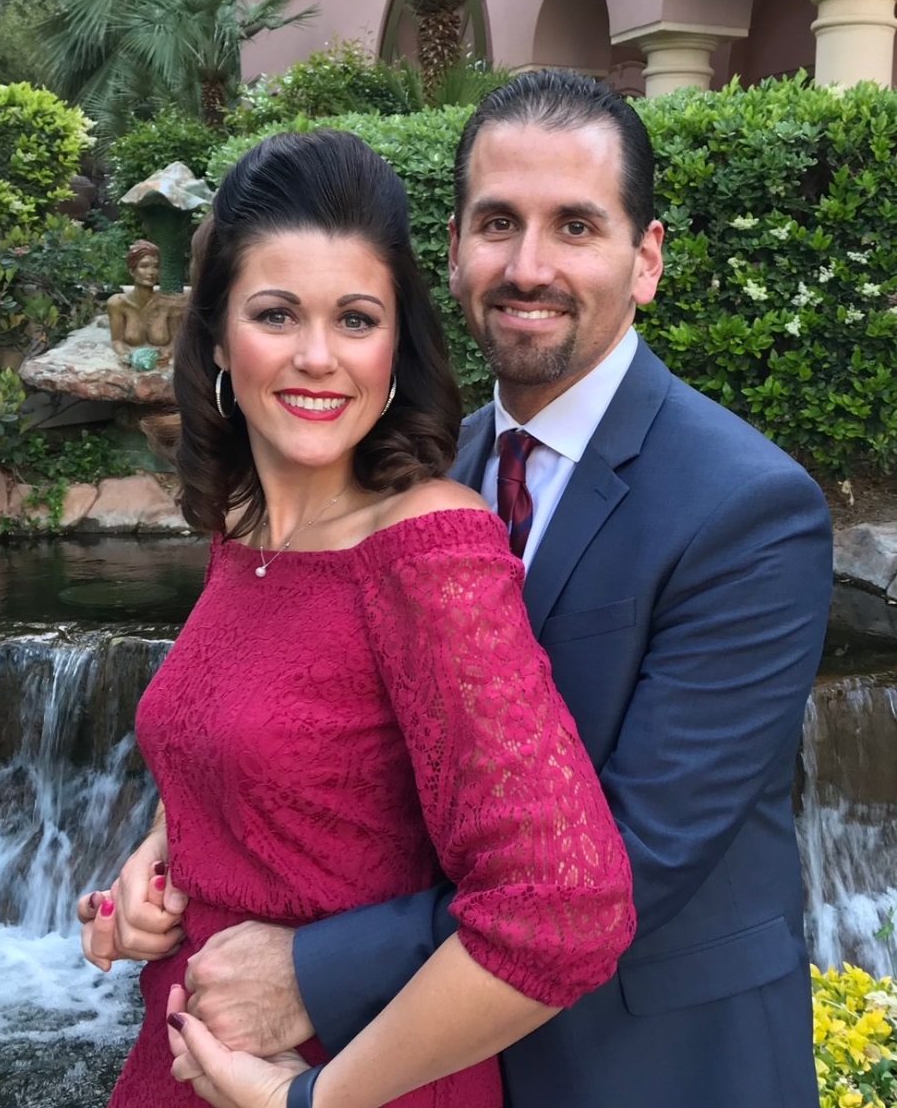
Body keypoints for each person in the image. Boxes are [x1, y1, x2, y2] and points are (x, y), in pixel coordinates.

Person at [84, 71, 833, 1108]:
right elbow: (326, 726)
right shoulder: (402, 466)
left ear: (645, 258)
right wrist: (170, 849)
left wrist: (311, 970)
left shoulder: (748, 509)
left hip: (640, 1065)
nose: (529, 266)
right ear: (450, 249)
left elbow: (624, 859)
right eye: (497, 223)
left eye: (575, 225)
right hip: (405, 1044)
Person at [81, 125, 635, 1107]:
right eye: (276, 313)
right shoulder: (241, 522)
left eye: (355, 319)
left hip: (349, 1073)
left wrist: (312, 1100)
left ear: (395, 344)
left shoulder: (427, 552)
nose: (316, 357)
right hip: (186, 1050)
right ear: (215, 335)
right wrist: (150, 870)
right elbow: (273, 751)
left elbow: (567, 908)